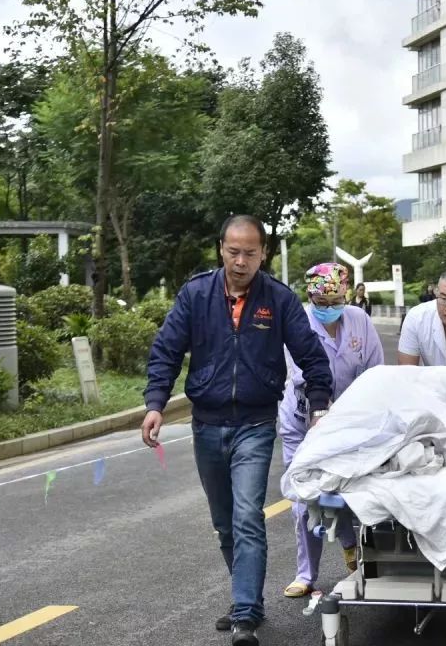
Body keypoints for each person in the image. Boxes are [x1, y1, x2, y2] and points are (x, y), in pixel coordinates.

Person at [141, 215, 333, 646]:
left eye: (250, 252)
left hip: (255, 422)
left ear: (263, 253)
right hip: (206, 423)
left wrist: (319, 408)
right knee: (224, 523)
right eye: (233, 251)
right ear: (220, 250)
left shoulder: (278, 301)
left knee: (248, 516)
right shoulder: (195, 295)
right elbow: (166, 351)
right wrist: (155, 405)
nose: (241, 260)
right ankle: (249, 600)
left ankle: (244, 613)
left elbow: (313, 358)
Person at [280, 263, 384, 599]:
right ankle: (306, 573)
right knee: (303, 498)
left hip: (351, 424)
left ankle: (354, 548)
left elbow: (374, 372)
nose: (328, 309)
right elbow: (301, 376)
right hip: (304, 422)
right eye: (320, 303)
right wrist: (321, 414)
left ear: (346, 293)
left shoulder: (359, 320)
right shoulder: (297, 322)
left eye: (334, 301)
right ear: (309, 296)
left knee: (349, 490)